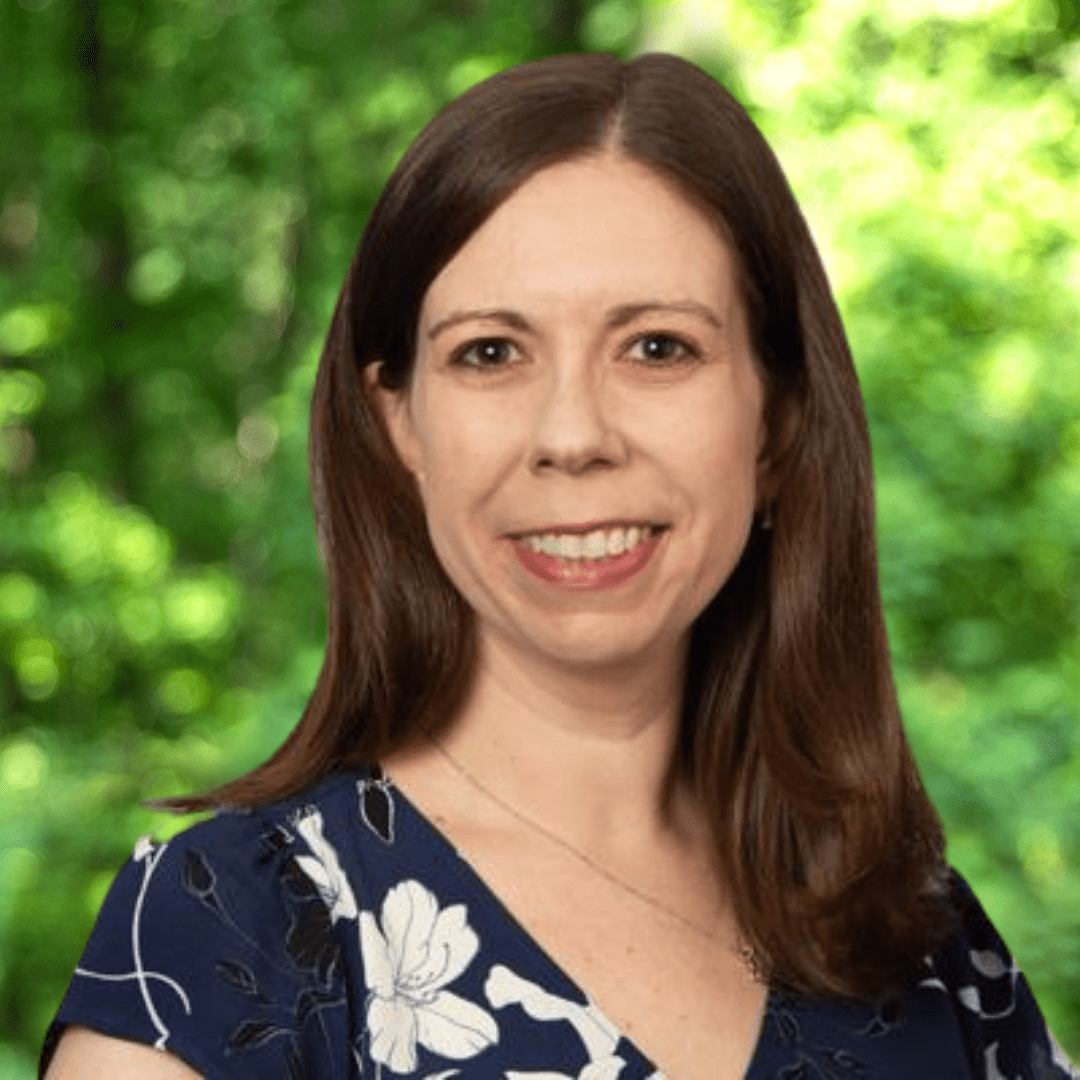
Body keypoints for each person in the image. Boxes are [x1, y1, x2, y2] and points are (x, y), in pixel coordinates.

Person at [41, 51, 1077, 1080]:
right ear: (402, 424)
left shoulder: (922, 941)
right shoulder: (228, 935)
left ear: (777, 421)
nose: (573, 434)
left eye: (658, 348)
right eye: (491, 353)